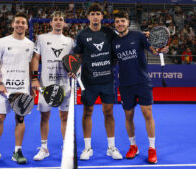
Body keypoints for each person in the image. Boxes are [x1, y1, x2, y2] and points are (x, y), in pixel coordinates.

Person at [112, 11, 168, 163]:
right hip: (125, 84)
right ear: (115, 24)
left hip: (142, 82)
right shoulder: (114, 41)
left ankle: (151, 148)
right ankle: (133, 146)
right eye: (117, 21)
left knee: (147, 114)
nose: (120, 24)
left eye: (122, 21)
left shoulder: (139, 36)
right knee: (128, 116)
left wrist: (159, 51)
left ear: (127, 22)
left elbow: (153, 50)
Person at [0, 13, 34, 167]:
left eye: (23, 22)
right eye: (17, 22)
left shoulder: (30, 44)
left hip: (22, 88)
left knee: (20, 119)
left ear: (26, 26)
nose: (20, 25)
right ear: (13, 24)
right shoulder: (2, 42)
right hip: (3, 88)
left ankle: (17, 151)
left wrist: (31, 86)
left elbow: (31, 67)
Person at [73, 2, 122, 160]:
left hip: (107, 81)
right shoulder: (81, 35)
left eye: (98, 14)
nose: (95, 17)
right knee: (88, 112)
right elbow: (78, 56)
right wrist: (74, 69)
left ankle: (111, 147)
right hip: (88, 82)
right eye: (92, 14)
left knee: (109, 112)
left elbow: (117, 51)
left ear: (102, 16)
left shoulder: (110, 33)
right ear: (88, 17)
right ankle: (87, 148)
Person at [30, 11, 74, 161]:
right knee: (44, 117)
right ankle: (44, 148)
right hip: (46, 85)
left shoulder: (69, 41)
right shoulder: (41, 38)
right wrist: (34, 78)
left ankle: (66, 147)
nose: (58, 22)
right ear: (51, 23)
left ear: (64, 23)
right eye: (55, 19)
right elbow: (35, 58)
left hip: (64, 85)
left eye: (61, 20)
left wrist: (74, 71)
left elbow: (73, 61)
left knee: (65, 117)